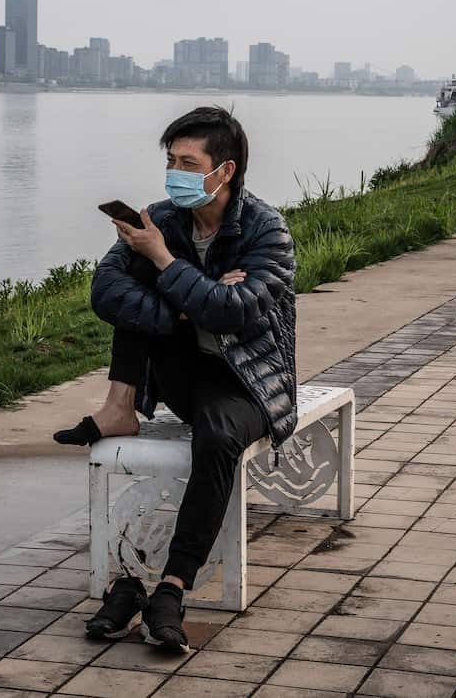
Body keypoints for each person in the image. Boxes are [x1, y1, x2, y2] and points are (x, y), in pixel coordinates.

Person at [52, 106, 297, 652]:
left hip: (249, 382)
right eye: (171, 160)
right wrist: (188, 304)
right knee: (136, 292)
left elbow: (239, 314)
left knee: (217, 439)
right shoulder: (160, 217)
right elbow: (105, 292)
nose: (175, 172)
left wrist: (164, 262)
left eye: (188, 162)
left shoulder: (266, 229)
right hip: (186, 370)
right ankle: (119, 406)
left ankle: (172, 585)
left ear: (224, 171)